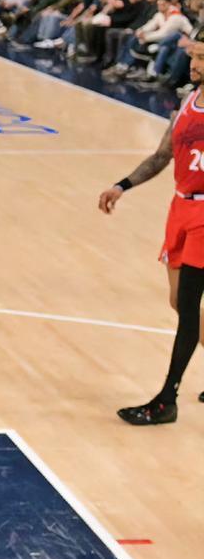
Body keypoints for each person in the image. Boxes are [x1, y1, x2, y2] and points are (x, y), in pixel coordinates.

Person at [99, 52, 204, 425]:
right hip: (180, 208)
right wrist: (122, 185)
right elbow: (162, 156)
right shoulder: (188, 100)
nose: (194, 63)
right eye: (193, 56)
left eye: (202, 58)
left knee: (188, 309)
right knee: (178, 301)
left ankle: (166, 400)